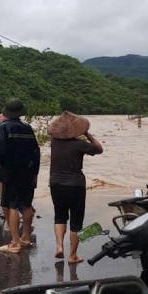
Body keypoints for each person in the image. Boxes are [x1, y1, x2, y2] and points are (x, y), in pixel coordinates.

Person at [47, 111, 103, 264]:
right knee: (76, 221)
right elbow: (99, 149)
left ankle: (59, 246)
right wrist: (87, 134)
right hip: (75, 185)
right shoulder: (80, 145)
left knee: (60, 216)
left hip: (56, 184)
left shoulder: (54, 142)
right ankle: (72, 256)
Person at [0, 98, 40, 253]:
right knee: (27, 204)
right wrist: (35, 173)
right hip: (28, 172)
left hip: (11, 172)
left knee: (11, 205)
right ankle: (26, 237)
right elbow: (36, 152)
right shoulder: (27, 128)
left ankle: (15, 243)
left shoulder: (3, 127)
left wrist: (1, 165)